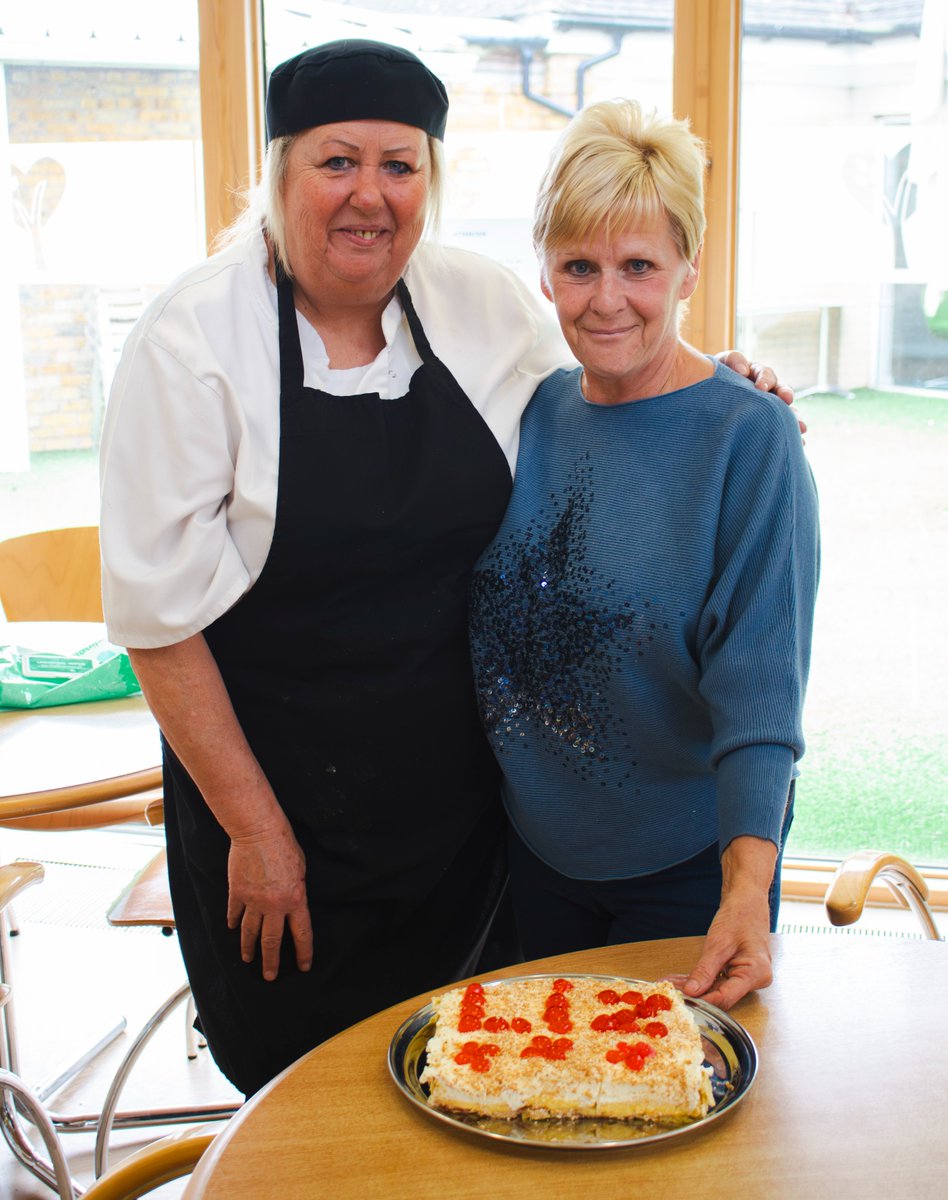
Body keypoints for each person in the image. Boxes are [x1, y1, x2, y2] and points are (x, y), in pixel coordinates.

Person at [99, 40, 794, 1096]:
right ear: (280, 173)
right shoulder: (192, 342)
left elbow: (615, 385)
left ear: (431, 179)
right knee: (302, 1106)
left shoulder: (476, 303)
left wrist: (728, 392)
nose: (369, 196)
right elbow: (157, 622)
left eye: (400, 164)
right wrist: (257, 831)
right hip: (272, 815)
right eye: (338, 162)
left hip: (467, 828)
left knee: (483, 1088)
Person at [469, 99, 819, 1012]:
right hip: (532, 861)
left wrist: (746, 893)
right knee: (540, 1118)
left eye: (640, 267)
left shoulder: (748, 438)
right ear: (544, 277)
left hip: (686, 873)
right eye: (578, 267)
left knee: (677, 1133)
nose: (607, 298)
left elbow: (760, 692)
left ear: (689, 271)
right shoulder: (530, 412)